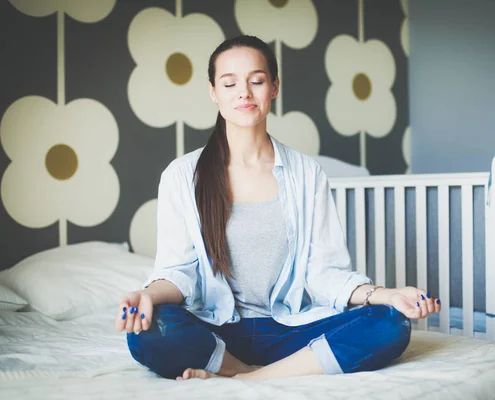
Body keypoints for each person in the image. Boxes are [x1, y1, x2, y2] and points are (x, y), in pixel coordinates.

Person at [115, 34, 441, 381]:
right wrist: (147, 294)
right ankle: (236, 365)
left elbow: (324, 273)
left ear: (274, 87)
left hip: (290, 328)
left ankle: (253, 377)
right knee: (148, 330)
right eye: (230, 83)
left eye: (256, 81)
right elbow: (179, 272)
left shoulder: (306, 173)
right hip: (216, 331)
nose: (244, 92)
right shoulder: (182, 176)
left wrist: (385, 294)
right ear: (214, 92)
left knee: (390, 322)